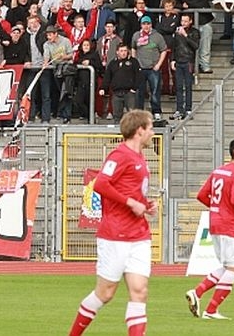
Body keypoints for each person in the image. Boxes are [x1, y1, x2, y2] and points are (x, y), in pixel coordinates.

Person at [68, 108, 156, 336]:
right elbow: (100, 184)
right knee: (105, 293)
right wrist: (130, 202)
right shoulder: (119, 155)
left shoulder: (140, 157)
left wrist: (146, 204)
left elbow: (132, 190)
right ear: (139, 130)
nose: (153, 133)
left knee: (140, 292)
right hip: (115, 235)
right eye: (150, 128)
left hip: (139, 235)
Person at [186, 138, 234, 320]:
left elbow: (202, 195)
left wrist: (218, 209)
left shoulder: (218, 171)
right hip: (230, 225)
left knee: (228, 266)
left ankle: (197, 292)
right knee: (233, 268)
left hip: (215, 223)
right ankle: (211, 310)